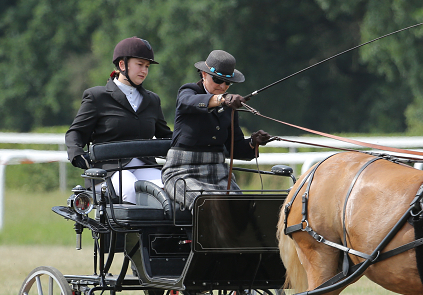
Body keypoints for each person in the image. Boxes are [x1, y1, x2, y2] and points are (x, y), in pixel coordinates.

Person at [66, 37, 172, 203]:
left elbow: (165, 135)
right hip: (109, 170)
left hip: (144, 165)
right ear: (122, 65)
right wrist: (76, 154)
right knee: (130, 187)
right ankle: (132, 230)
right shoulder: (97, 97)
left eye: (147, 67)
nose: (144, 71)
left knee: (169, 187)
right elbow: (76, 133)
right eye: (140, 64)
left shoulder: (152, 100)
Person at [162, 49, 271, 209]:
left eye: (227, 83)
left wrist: (253, 142)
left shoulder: (229, 105)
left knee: (244, 209)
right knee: (207, 207)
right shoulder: (188, 91)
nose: (223, 86)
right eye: (217, 80)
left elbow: (235, 147)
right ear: (204, 74)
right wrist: (222, 100)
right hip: (182, 172)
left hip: (218, 173)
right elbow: (189, 101)